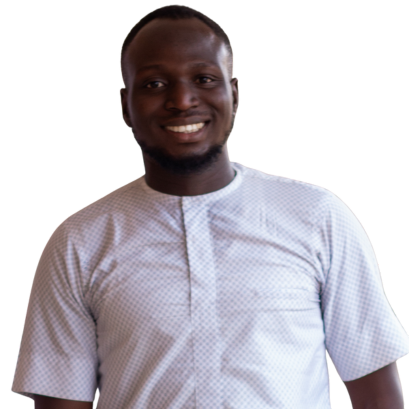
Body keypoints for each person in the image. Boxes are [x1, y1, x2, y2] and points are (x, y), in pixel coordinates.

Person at [9, 4, 409, 409]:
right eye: (154, 84)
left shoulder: (319, 216)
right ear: (125, 106)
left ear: (234, 95)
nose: (182, 100)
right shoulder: (78, 243)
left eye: (203, 79)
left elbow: (378, 395)